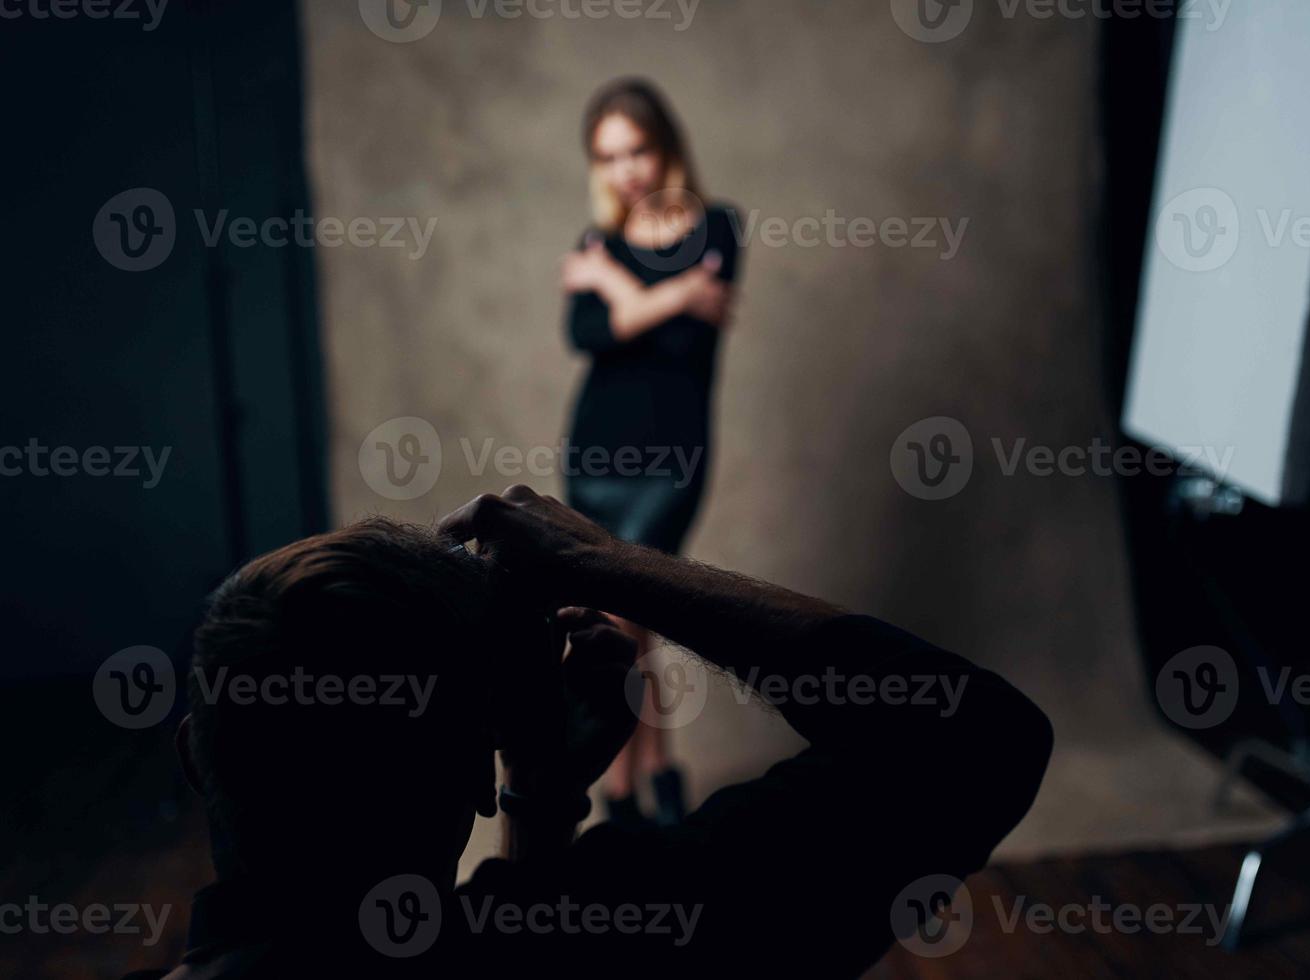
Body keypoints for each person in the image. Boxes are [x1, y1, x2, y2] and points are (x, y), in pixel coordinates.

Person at [126, 485, 1052, 978]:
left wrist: (539, 807)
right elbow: (976, 739)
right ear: (471, 778)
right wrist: (598, 563)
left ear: (195, 761)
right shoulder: (629, 936)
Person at [559, 78, 742, 829]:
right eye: (607, 157)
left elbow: (684, 342)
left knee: (623, 623)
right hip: (595, 455)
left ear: (665, 147)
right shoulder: (596, 241)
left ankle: (623, 802)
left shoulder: (718, 228)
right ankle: (658, 788)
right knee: (628, 633)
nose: (625, 169)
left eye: (636, 149)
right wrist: (669, 294)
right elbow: (589, 335)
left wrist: (616, 288)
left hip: (670, 462)